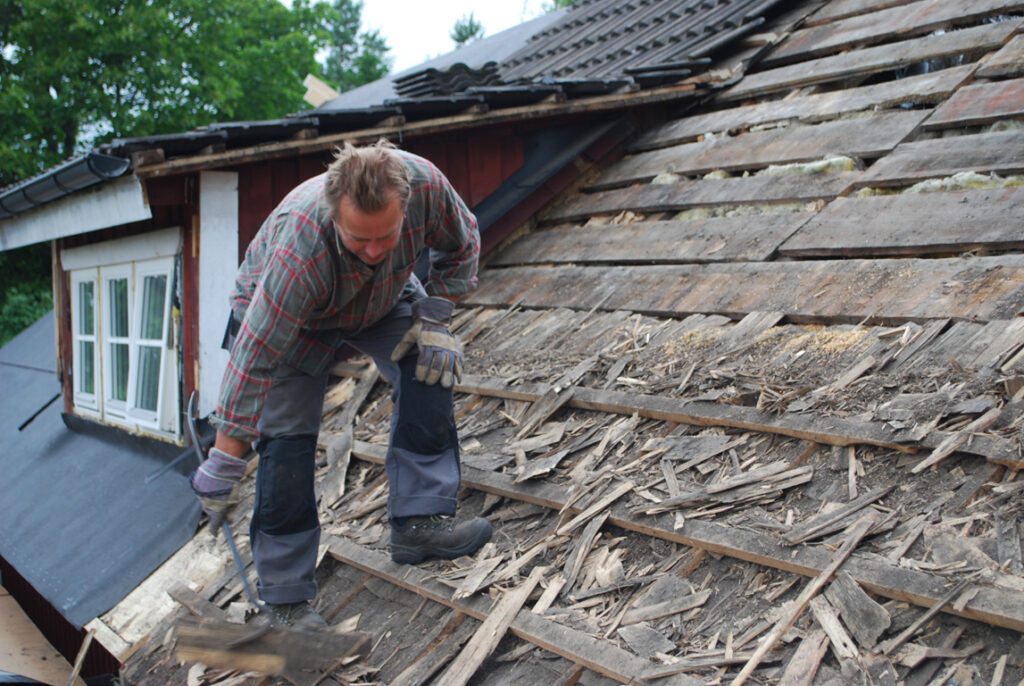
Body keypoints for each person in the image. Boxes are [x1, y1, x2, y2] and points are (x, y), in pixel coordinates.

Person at [189, 140, 492, 628]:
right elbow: (257, 354)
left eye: (385, 237)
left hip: (382, 299)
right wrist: (225, 458)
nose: (373, 252)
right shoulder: (299, 250)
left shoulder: (429, 188)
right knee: (287, 442)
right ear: (335, 218)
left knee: (428, 367)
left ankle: (419, 522)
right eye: (359, 241)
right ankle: (286, 597)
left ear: (405, 206)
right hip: (295, 320)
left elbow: (463, 244)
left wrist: (435, 316)